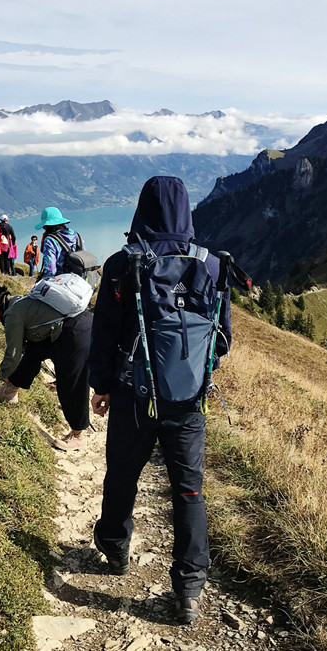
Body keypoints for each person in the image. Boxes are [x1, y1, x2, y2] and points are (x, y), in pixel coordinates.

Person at [88, 176, 232, 625]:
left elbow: (104, 333)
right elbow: (222, 340)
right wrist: (189, 372)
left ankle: (114, 547)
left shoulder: (120, 264)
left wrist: (103, 385)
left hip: (133, 396)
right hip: (189, 402)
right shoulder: (209, 265)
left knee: (123, 474)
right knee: (189, 491)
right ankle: (189, 586)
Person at [0, 278, 91, 450]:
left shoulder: (11, 314)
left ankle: (79, 435)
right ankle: (10, 392)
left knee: (70, 384)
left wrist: (3, 374)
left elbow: (13, 353)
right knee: (34, 352)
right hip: (74, 324)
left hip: (75, 332)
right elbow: (29, 350)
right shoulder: (18, 300)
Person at [38, 206, 82, 280]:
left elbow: (51, 270)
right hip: (80, 282)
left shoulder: (50, 240)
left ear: (47, 226)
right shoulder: (76, 236)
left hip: (62, 283)